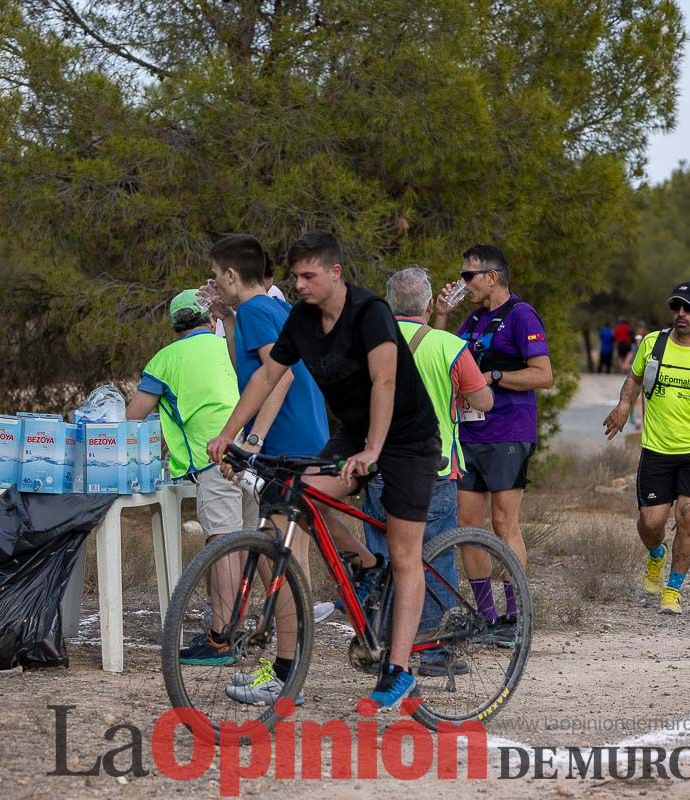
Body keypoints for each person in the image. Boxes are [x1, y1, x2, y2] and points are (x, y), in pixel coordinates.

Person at [207, 230, 441, 712]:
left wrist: (374, 449)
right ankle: (363, 566)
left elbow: (385, 380)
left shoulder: (370, 312)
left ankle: (397, 670)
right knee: (298, 495)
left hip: (407, 438)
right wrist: (230, 433)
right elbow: (269, 374)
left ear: (336, 272)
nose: (301, 285)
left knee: (405, 552)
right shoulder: (301, 319)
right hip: (354, 433)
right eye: (295, 277)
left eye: (310, 275)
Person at [314, 266, 494, 676]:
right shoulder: (449, 347)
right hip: (436, 468)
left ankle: (382, 646)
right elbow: (483, 402)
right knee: (434, 561)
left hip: (378, 467)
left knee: (385, 561)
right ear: (429, 305)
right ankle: (434, 651)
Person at [198, 233, 331, 699]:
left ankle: (284, 673)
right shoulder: (268, 308)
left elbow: (280, 375)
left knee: (288, 561)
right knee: (299, 555)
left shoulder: (256, 311)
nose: (213, 282)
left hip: (286, 444)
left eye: (217, 275)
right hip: (306, 436)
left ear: (232, 275)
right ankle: (367, 574)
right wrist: (226, 317)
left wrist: (250, 439)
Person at [125, 290, 256, 663]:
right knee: (243, 543)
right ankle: (238, 629)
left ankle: (220, 639)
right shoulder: (227, 347)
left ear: (173, 326)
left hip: (214, 459)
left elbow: (133, 419)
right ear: (209, 320)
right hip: (251, 451)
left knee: (221, 544)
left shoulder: (166, 358)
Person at [433, 245, 553, 647]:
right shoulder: (473, 318)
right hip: (469, 434)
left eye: (469, 275)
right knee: (468, 525)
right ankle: (487, 616)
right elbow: (446, 358)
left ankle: (515, 615)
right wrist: (441, 318)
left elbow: (543, 375)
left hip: (509, 432)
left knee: (504, 524)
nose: (464, 282)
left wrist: (495, 375)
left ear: (493, 277)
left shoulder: (521, 315)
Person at [603, 281, 690, 614]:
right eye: (676, 307)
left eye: (688, 308)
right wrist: (624, 405)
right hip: (657, 449)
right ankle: (656, 556)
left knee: (687, 517)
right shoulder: (654, 343)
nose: (681, 314)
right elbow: (635, 379)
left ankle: (673, 589)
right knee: (651, 523)